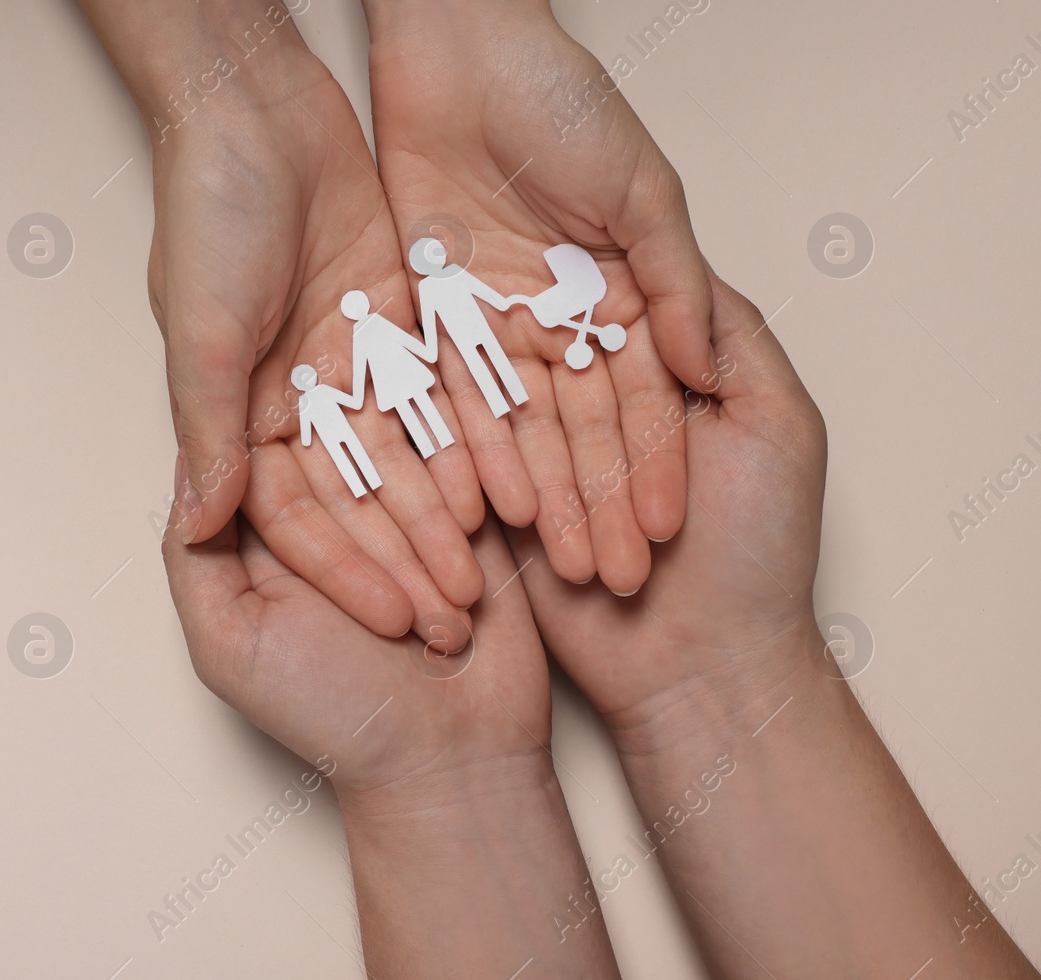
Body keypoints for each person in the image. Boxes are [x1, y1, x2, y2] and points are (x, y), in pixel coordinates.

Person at [164, 272, 1041, 978]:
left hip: (437, 375)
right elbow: (392, 359)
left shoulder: (420, 317)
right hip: (401, 396)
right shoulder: (377, 350)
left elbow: (443, 331)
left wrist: (442, 789)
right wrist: (439, 777)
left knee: (467, 392)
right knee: (436, 414)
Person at [23, 0, 711, 609]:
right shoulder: (384, 335)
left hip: (439, 351)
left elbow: (450, 321)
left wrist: (469, 20)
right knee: (474, 384)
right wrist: (228, 82)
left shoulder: (435, 292)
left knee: (490, 377)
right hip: (421, 361)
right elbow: (428, 336)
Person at [409, 236, 529, 417]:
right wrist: (502, 303)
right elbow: (483, 291)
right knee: (495, 357)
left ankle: (502, 402)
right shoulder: (447, 276)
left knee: (480, 363)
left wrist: (431, 347)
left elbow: (429, 320)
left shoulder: (428, 285)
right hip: (472, 326)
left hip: (465, 329)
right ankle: (511, 398)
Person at [341, 289, 456, 457]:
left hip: (388, 376)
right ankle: (441, 438)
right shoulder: (375, 323)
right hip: (401, 368)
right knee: (420, 401)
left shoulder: (361, 332)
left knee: (407, 408)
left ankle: (429, 445)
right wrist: (425, 351)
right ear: (365, 305)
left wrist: (357, 395)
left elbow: (360, 365)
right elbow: (402, 339)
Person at [292, 363, 382, 497]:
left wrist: (306, 440)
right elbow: (305, 421)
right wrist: (306, 439)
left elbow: (348, 401)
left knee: (350, 456)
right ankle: (363, 486)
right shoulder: (315, 395)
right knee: (346, 458)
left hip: (338, 430)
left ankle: (368, 483)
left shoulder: (314, 395)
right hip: (333, 433)